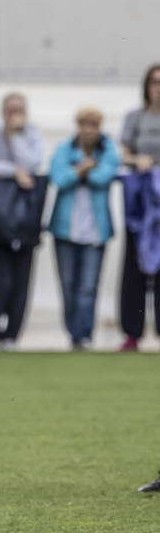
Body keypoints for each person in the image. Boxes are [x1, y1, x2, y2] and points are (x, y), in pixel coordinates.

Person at [0, 92, 45, 349]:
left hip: (25, 222)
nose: (15, 115)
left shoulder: (32, 135)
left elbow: (33, 164)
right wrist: (13, 171)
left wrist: (16, 137)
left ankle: (13, 334)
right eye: (10, 110)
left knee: (21, 282)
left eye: (20, 110)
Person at [47, 108, 119, 349]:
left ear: (99, 128)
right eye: (83, 124)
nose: (87, 130)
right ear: (77, 126)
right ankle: (73, 334)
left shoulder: (109, 150)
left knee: (88, 287)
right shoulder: (64, 149)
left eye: (93, 125)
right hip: (65, 231)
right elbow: (59, 179)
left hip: (96, 232)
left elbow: (103, 178)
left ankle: (86, 335)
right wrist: (83, 168)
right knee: (68, 285)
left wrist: (79, 171)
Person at [117, 64, 160, 351]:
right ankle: (132, 333)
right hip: (141, 202)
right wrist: (137, 161)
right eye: (154, 82)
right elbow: (123, 151)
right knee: (134, 266)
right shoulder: (135, 117)